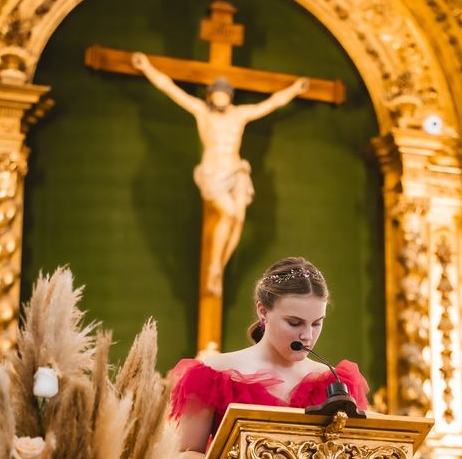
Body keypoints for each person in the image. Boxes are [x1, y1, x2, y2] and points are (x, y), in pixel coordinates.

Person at [131, 52, 310, 297]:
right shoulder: (202, 112)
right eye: (217, 93)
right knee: (228, 212)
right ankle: (214, 265)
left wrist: (294, 90)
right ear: (210, 95)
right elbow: (170, 89)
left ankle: (218, 268)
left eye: (225, 93)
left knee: (237, 219)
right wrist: (147, 67)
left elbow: (271, 104)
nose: (221, 97)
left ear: (230, 96)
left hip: (235, 170)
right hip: (213, 171)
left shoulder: (240, 115)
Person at [168, 257, 370, 458]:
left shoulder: (336, 384)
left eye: (317, 323)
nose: (307, 336)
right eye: (294, 323)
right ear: (262, 311)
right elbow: (187, 453)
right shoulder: (213, 373)